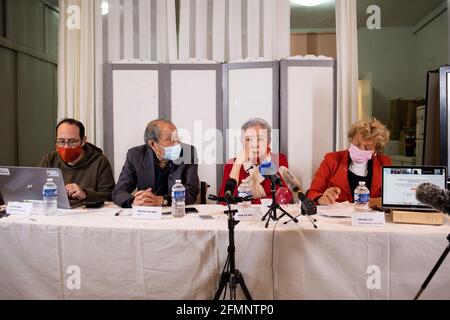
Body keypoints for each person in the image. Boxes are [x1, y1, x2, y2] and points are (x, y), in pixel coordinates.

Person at [113, 119, 199, 208]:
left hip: (176, 210)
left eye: (177, 138)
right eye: (170, 139)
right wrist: (134, 201)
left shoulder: (188, 152)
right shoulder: (135, 156)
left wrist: (162, 200)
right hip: (148, 212)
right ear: (153, 144)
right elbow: (119, 192)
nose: (177, 144)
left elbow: (191, 192)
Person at [307, 118, 392, 205]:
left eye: (368, 147)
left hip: (371, 217)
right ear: (351, 140)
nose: (360, 149)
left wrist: (374, 202)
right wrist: (321, 199)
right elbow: (312, 193)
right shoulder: (332, 159)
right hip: (337, 217)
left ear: (375, 150)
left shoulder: (384, 163)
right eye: (356, 143)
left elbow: (392, 198)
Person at [39, 118, 115, 202]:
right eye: (61, 141)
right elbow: (35, 185)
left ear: (83, 141)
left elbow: (110, 195)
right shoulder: (50, 159)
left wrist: (85, 194)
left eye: (72, 141)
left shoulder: (99, 161)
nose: (66, 146)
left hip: (87, 213)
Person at [219, 118, 288, 203]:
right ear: (242, 141)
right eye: (248, 139)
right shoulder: (232, 164)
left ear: (268, 141)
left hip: (267, 214)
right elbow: (223, 201)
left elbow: (284, 196)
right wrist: (237, 165)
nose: (254, 144)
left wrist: (245, 203)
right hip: (241, 215)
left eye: (259, 139)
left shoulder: (278, 159)